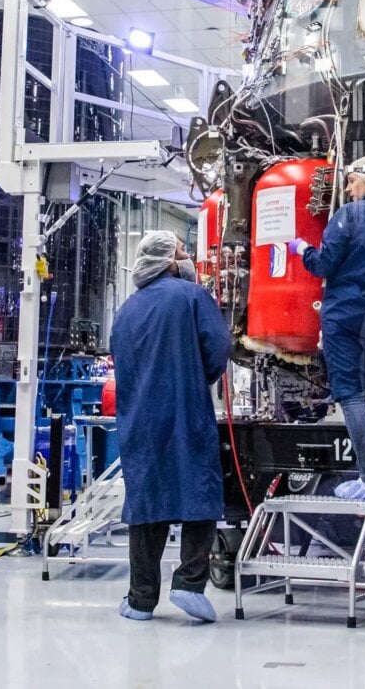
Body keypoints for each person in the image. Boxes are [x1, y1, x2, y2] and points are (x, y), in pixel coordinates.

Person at [111, 230, 231, 623]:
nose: (187, 258)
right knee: (199, 493)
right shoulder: (193, 296)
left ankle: (141, 600)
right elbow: (218, 348)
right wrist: (197, 377)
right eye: (182, 252)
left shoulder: (126, 310)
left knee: (147, 503)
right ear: (167, 261)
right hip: (185, 409)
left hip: (140, 418)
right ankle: (189, 584)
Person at [291, 155, 365, 503]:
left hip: (343, 314)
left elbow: (324, 263)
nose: (347, 188)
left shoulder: (347, 216)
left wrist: (303, 249)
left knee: (350, 394)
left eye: (352, 181)